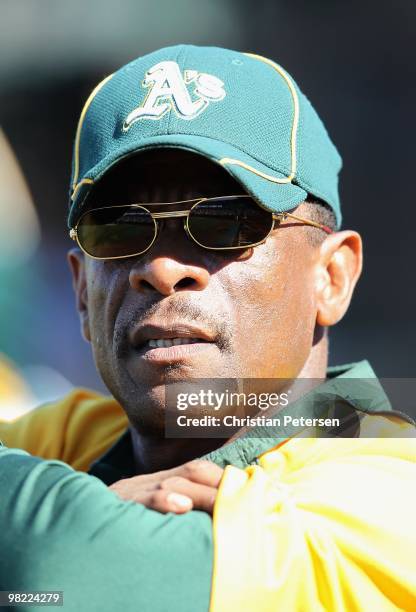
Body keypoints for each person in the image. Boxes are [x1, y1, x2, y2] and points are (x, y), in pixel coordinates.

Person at [0, 45, 415, 611]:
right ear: (80, 290)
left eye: (225, 222)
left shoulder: (392, 492)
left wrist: (64, 520)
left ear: (332, 277)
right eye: (118, 228)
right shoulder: (73, 435)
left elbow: (68, 575)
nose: (163, 269)